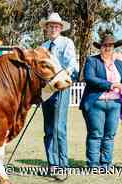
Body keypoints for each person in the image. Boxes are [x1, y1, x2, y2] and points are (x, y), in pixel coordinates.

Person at [39, 12, 79, 180]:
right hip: (46, 91)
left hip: (61, 88)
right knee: (48, 129)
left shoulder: (66, 42)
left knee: (58, 128)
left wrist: (59, 79)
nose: (53, 28)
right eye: (50, 26)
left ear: (61, 28)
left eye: (56, 26)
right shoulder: (43, 46)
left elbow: (71, 65)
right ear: (46, 28)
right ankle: (52, 164)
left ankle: (63, 165)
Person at [79, 34, 122, 168]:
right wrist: (110, 85)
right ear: (100, 47)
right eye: (105, 45)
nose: (107, 48)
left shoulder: (120, 64)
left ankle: (106, 164)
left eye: (110, 46)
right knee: (95, 134)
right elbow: (89, 78)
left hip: (115, 104)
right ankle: (93, 164)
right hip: (96, 103)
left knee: (110, 135)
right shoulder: (92, 61)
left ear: (114, 47)